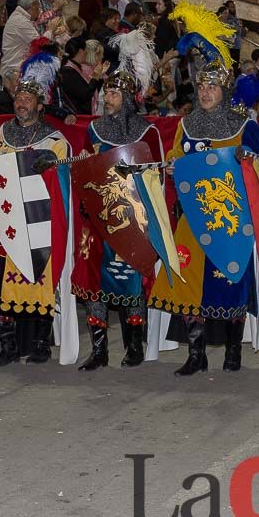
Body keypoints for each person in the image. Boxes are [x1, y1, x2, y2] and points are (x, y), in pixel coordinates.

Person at [150, 60, 259, 376]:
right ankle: (196, 354)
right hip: (191, 219)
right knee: (189, 285)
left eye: (212, 87)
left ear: (225, 91)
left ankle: (233, 352)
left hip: (231, 221)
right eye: (201, 87)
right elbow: (176, 155)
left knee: (231, 284)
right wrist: (173, 166)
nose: (205, 92)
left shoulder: (245, 126)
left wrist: (249, 161)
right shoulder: (186, 125)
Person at [73, 71, 166, 370]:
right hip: (98, 218)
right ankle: (99, 350)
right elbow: (84, 171)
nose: (106, 99)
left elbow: (158, 177)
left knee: (132, 281)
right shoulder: (94, 130)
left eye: (113, 94)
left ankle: (135, 346)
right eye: (105, 93)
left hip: (131, 219)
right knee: (95, 283)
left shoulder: (146, 133)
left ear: (127, 99)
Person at [0, 69, 70, 366]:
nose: (21, 103)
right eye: (19, 97)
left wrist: (51, 167)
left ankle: (41, 345)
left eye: (28, 99)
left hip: (37, 220)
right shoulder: (2, 133)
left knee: (39, 283)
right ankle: (8, 347)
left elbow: (63, 181)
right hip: (4, 219)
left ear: (39, 106)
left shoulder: (55, 140)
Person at [56, 35, 108, 116]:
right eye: (85, 50)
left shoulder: (75, 67)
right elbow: (85, 96)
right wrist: (95, 77)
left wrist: (98, 77)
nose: (87, 53)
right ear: (80, 51)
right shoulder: (68, 71)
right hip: (78, 116)